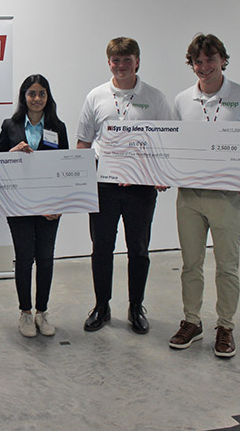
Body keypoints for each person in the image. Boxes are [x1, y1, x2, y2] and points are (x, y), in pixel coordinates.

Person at [168, 33, 240, 358]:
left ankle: (225, 326)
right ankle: (192, 321)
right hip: (190, 197)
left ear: (222, 60)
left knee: (227, 265)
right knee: (190, 264)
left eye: (210, 60)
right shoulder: (182, 100)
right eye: (197, 61)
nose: (203, 66)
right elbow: (173, 145)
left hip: (226, 196)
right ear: (191, 64)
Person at [77, 37, 172, 335]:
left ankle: (135, 307)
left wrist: (163, 174)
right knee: (101, 248)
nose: (121, 66)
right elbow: (83, 142)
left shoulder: (155, 98)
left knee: (139, 249)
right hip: (103, 186)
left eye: (127, 60)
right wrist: (80, 181)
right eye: (115, 60)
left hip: (140, 187)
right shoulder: (95, 96)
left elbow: (168, 139)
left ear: (137, 61)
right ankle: (101, 307)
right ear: (109, 63)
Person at [0, 74, 69, 338]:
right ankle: (25, 313)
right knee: (25, 259)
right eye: (31, 93)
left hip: (49, 205)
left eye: (42, 93)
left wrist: (60, 203)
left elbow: (66, 166)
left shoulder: (58, 127)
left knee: (46, 259)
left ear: (48, 97)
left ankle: (42, 312)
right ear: (23, 96)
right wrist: (12, 153)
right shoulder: (10, 125)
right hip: (19, 204)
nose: (36, 99)